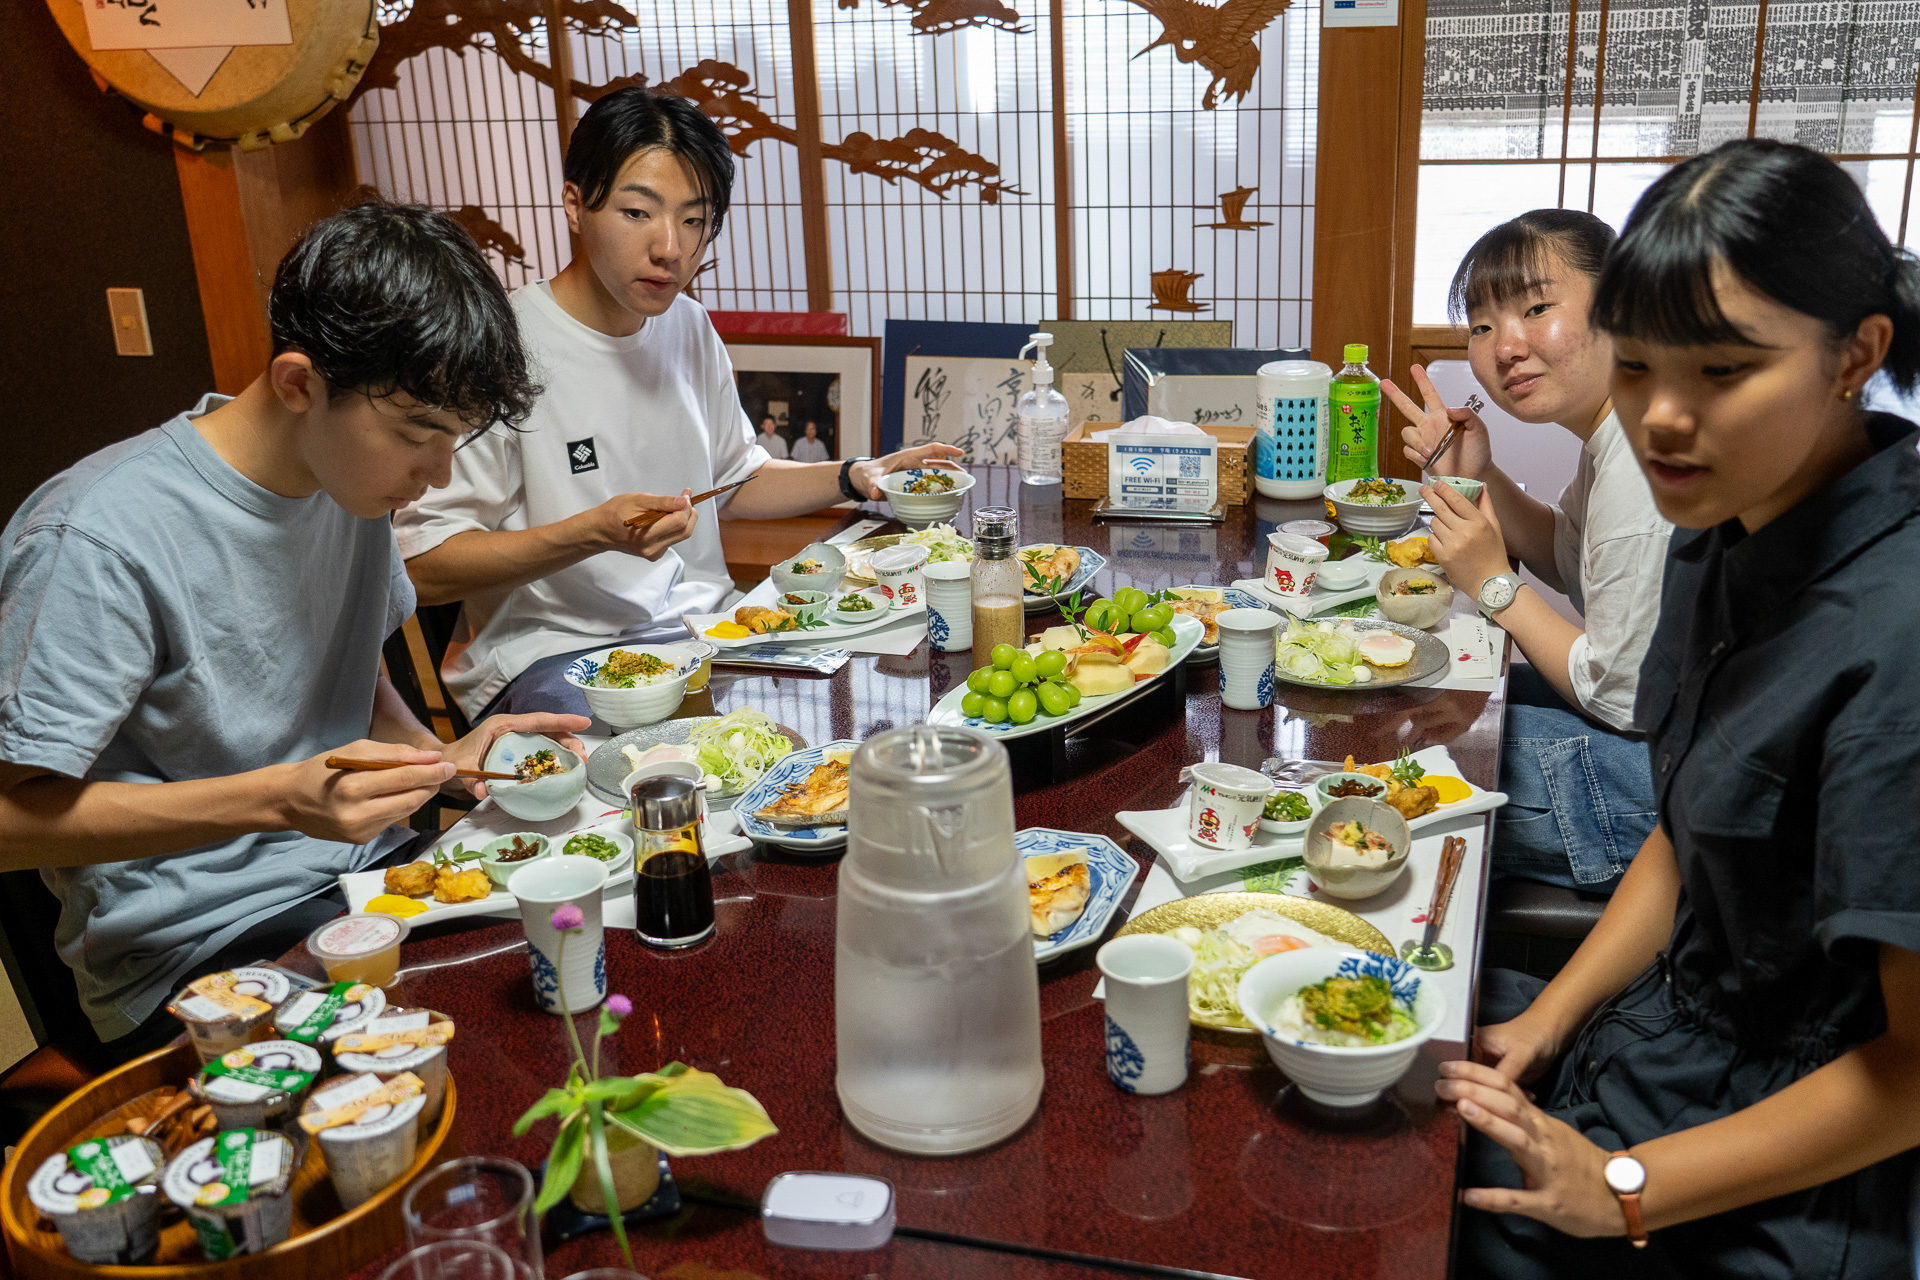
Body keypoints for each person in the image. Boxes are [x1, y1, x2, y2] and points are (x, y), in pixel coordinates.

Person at [1444, 138, 1920, 1278]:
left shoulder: (1896, 633)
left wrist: (1622, 1190)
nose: (1662, 417)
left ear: (1856, 355)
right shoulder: (1726, 524)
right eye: (1641, 367)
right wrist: (1545, 1020)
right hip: (1650, 1042)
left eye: (1720, 370)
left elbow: (1910, 1069)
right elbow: (1685, 826)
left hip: (1775, 1180)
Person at [0, 203, 588, 1062]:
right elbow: (10, 821)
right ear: (298, 384)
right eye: (418, 433)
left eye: (455, 439)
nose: (437, 474)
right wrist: (278, 800)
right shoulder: (95, 538)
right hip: (204, 947)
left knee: (579, 955)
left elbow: (347, 671)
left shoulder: (350, 481)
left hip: (370, 880)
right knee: (475, 1073)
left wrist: (440, 760)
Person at [398, 87, 960, 719]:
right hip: (555, 655)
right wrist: (590, 534)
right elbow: (422, 566)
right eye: (638, 212)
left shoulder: (687, 325)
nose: (670, 247)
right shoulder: (499, 345)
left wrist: (856, 474)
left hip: (703, 635)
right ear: (575, 204)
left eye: (694, 220)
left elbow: (734, 478)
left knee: (878, 698)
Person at [1383, 211, 1668, 893]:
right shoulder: (1620, 428)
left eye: (1536, 309)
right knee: (1419, 694)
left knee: (1393, 759)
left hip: (1671, 791)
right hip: (1661, 732)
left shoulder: (1646, 463)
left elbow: (1616, 697)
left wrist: (1492, 584)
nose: (1505, 347)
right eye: (1482, 326)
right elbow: (1566, 556)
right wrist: (1481, 472)